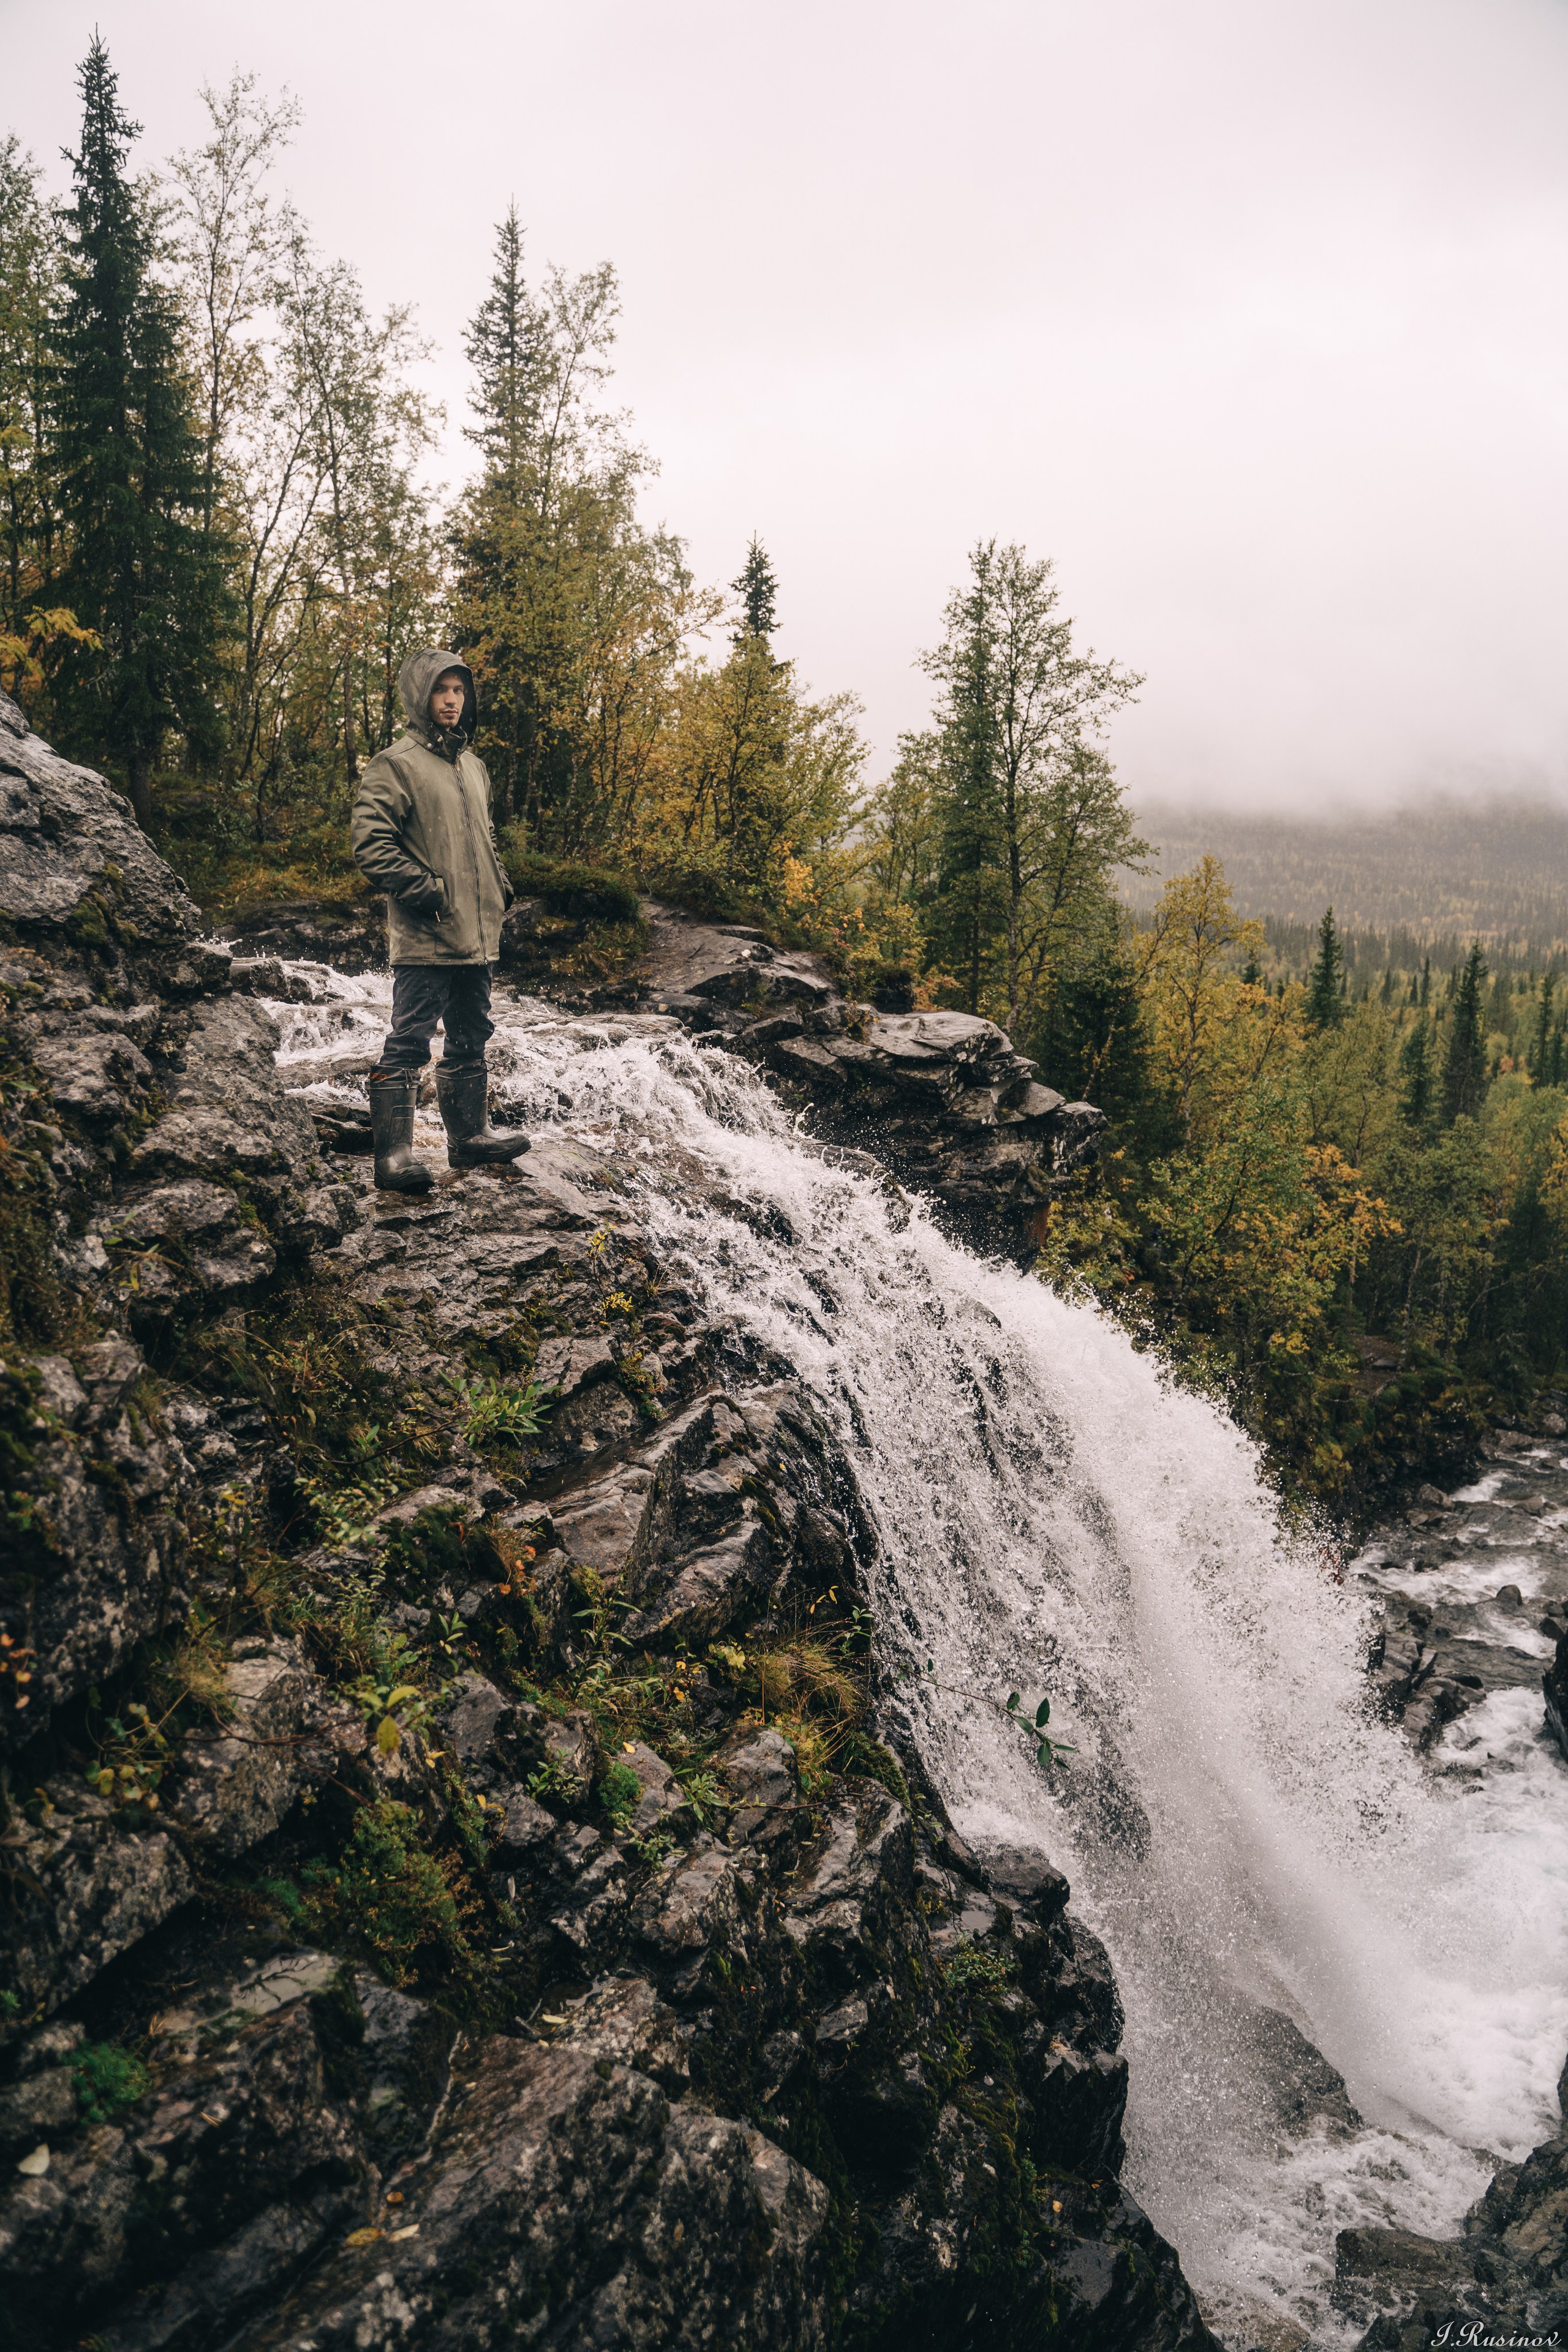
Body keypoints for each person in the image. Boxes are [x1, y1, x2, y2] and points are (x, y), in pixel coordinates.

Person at [350, 648, 529, 1193]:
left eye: (459, 691)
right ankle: (394, 1157)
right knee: (409, 1040)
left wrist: (499, 884)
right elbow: (371, 845)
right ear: (420, 696)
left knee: (472, 1033)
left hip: (478, 933)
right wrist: (429, 893)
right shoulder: (395, 763)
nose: (452, 700)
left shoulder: (472, 766)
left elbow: (482, 840)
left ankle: (469, 1139)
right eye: (441, 690)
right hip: (427, 931)